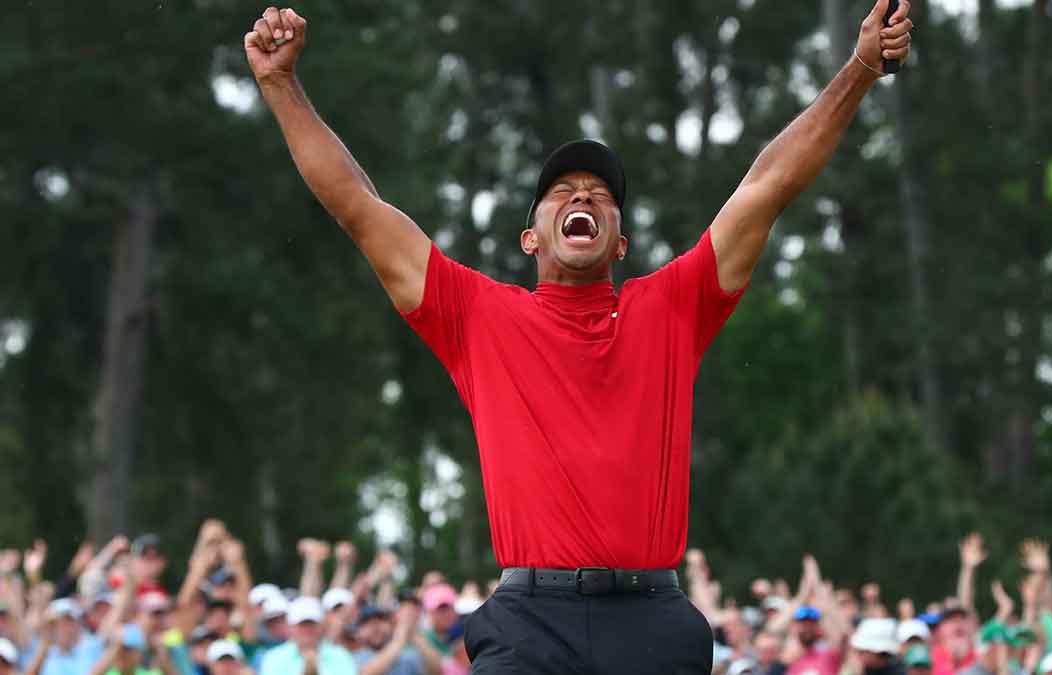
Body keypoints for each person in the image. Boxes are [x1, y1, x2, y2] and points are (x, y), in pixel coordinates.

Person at [243, 1, 913, 670]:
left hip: (651, 620)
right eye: (562, 191)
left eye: (600, 193)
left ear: (620, 242)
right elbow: (358, 205)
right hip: (529, 625)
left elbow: (767, 185)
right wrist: (280, 84)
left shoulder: (673, 306)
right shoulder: (477, 313)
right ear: (530, 235)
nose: (583, 197)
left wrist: (857, 68)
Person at [258, 598, 355, 675]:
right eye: (302, 624)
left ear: (321, 626)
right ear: (291, 626)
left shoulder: (341, 655)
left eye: (311, 623)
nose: (307, 629)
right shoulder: (274, 658)